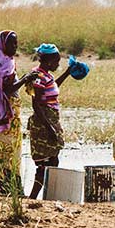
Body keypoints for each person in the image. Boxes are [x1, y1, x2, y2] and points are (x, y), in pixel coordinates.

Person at [0, 30, 34, 195]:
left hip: (2, 114)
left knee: (0, 151)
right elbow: (8, 88)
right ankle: (12, 189)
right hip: (7, 115)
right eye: (12, 43)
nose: (15, 46)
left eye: (16, 43)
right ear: (3, 45)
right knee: (9, 151)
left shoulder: (1, 61)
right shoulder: (5, 64)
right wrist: (26, 79)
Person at [26, 43, 75, 199]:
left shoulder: (46, 75)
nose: (58, 64)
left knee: (53, 159)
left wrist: (68, 73)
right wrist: (49, 129)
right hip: (43, 123)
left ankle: (49, 196)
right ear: (48, 61)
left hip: (50, 120)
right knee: (43, 164)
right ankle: (33, 198)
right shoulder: (38, 76)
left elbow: (53, 87)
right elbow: (37, 105)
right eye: (56, 61)